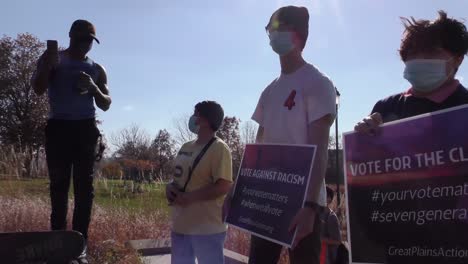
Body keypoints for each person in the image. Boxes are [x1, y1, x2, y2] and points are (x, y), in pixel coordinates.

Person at [249, 6, 337, 264]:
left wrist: (310, 206)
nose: (272, 34)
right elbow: (258, 147)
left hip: (303, 203)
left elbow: (320, 148)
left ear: (297, 34)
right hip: (268, 196)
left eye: (278, 27)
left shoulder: (318, 82)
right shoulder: (269, 91)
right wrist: (238, 190)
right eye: (269, 29)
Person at [31, 20, 111, 263]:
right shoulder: (53, 59)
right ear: (71, 37)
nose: (85, 45)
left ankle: (79, 248)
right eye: (81, 39)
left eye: (89, 41)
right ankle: (57, 246)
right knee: (59, 188)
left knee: (85, 191)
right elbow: (37, 88)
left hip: (85, 130)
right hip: (59, 128)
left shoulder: (97, 68)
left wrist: (94, 88)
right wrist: (46, 65)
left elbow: (106, 103)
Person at [355, 11, 468, 134]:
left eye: (431, 52)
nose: (419, 59)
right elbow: (370, 151)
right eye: (412, 53)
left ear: (458, 59)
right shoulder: (386, 107)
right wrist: (364, 136)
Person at [166, 101, 233, 264]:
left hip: (207, 230)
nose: (192, 118)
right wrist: (169, 186)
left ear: (205, 120)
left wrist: (189, 198)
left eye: (195, 114)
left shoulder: (219, 149)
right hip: (180, 226)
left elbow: (223, 186)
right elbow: (178, 177)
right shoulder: (185, 146)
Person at [321, 187, 342, 264]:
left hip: (325, 259)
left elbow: (338, 241)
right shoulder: (314, 214)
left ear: (328, 199)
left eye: (322, 195)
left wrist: (320, 239)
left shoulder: (331, 217)